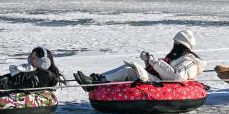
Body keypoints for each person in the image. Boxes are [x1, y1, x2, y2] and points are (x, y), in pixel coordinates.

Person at [72, 30, 205, 91]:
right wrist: (148, 62)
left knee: (130, 71)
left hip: (168, 85)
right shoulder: (176, 57)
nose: (174, 46)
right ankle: (96, 79)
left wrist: (154, 62)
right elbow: (162, 71)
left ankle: (95, 82)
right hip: (161, 81)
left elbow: (177, 77)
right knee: (129, 67)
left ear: (183, 45)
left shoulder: (189, 62)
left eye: (177, 43)